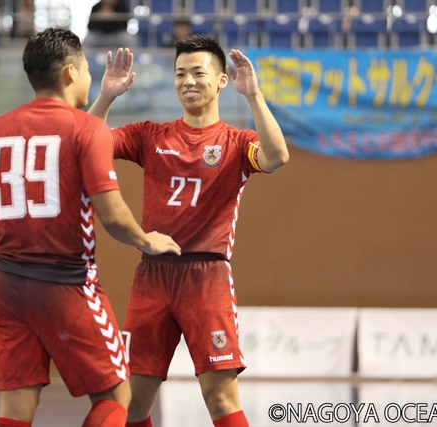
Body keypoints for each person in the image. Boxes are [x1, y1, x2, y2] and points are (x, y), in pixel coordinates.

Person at [0, 27, 180, 427]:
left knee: (15, 408)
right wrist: (146, 240)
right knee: (116, 398)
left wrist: (0, 267)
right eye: (86, 69)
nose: (89, 76)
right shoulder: (86, 129)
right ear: (69, 73)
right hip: (67, 284)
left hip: (7, 288)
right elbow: (112, 216)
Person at [88, 36, 289, 427]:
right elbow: (87, 143)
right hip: (152, 277)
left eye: (198, 72)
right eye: (180, 73)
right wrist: (106, 96)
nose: (188, 81)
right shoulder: (150, 135)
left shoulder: (236, 142)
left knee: (221, 400)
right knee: (132, 404)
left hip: (207, 280)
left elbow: (277, 156)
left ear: (222, 81)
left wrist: (254, 95)